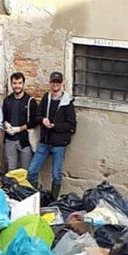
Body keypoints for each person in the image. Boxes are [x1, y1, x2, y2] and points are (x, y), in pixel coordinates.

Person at [27, 71, 77, 200]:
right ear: (50, 83)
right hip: (44, 142)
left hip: (59, 144)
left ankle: (53, 201)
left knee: (56, 175)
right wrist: (43, 120)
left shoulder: (67, 102)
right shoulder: (45, 98)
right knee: (32, 171)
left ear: (62, 84)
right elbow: (37, 116)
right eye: (53, 82)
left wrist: (55, 126)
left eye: (58, 82)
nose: (55, 84)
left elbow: (72, 125)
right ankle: (35, 198)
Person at [1, 72, 37, 171]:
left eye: (19, 83)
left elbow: (34, 121)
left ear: (23, 84)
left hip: (25, 140)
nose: (17, 86)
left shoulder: (30, 101)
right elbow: (3, 118)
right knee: (11, 169)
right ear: (11, 84)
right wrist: (6, 124)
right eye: (15, 83)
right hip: (9, 140)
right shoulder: (7, 100)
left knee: (25, 170)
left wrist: (19, 129)